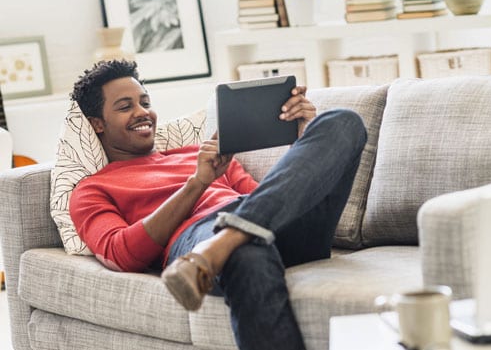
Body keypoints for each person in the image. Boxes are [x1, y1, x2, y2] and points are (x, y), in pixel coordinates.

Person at [69, 59, 367, 350]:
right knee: (246, 252)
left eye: (145, 102)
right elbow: (121, 254)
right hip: (200, 234)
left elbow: (265, 199)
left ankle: (220, 247)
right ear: (97, 124)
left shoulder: (203, 152)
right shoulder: (91, 189)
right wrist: (197, 183)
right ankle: (228, 242)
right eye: (125, 107)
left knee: (342, 121)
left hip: (263, 229)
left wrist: (303, 142)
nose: (142, 112)